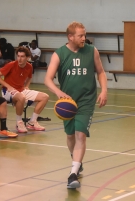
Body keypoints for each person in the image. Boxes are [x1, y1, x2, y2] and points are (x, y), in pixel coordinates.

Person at [44, 21, 107, 189]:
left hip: (86, 99)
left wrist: (104, 90)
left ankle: (73, 174)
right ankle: (77, 161)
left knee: (80, 135)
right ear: (70, 37)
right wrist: (57, 92)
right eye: (80, 35)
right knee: (70, 135)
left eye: (85, 34)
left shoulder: (92, 51)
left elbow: (100, 72)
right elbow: (47, 79)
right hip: (67, 102)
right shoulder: (59, 54)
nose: (84, 38)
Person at [0, 46, 49, 133]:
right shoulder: (11, 65)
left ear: (27, 57)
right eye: (18, 56)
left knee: (45, 97)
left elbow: (29, 77)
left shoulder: (29, 66)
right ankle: (19, 122)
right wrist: (8, 86)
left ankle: (32, 122)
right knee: (21, 97)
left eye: (22, 56)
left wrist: (26, 86)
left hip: (21, 90)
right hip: (7, 91)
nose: (19, 59)